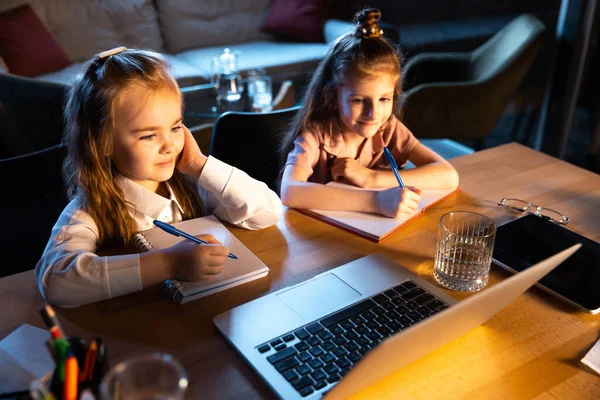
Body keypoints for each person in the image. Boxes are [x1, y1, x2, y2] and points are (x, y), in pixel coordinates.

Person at [36, 47, 282, 307]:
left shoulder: (194, 186)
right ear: (103, 142)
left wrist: (199, 165)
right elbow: (56, 281)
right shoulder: (89, 210)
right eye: (148, 135)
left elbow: (267, 213)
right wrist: (168, 263)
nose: (168, 146)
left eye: (175, 127)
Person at [279, 8, 459, 218]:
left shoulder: (388, 127)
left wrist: (371, 178)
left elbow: (448, 175)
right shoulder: (316, 135)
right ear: (332, 97)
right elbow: (290, 191)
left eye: (384, 99)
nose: (374, 114)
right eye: (359, 100)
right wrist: (377, 200)